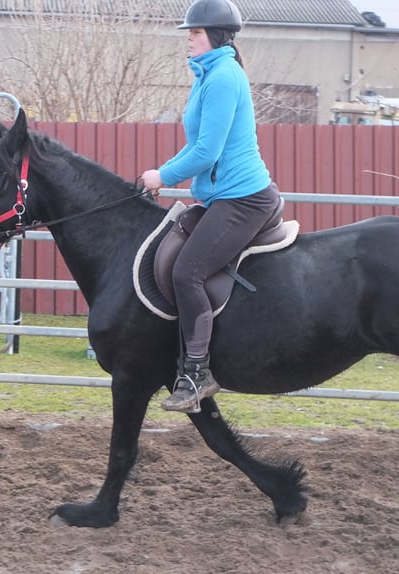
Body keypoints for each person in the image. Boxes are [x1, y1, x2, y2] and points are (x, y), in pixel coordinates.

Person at [140, 0, 281, 413]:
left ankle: (197, 373)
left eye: (195, 32)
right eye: (190, 31)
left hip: (243, 199)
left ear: (216, 37)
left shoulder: (222, 77)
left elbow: (207, 151)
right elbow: (198, 146)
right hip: (222, 196)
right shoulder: (207, 75)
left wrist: (161, 176)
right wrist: (165, 173)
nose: (188, 37)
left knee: (189, 271)